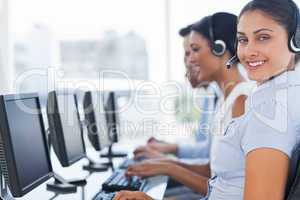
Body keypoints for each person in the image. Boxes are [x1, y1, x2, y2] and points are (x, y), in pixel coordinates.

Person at [114, 0, 300, 199]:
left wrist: (168, 166)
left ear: (295, 40)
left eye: (263, 37)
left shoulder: (267, 108)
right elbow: (223, 183)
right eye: (243, 40)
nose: (248, 51)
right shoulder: (273, 96)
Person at [133, 24, 216, 161]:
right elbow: (207, 149)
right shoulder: (212, 95)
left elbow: (210, 164)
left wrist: (166, 160)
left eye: (192, 52)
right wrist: (170, 148)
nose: (188, 61)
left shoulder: (227, 98)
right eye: (186, 54)